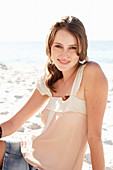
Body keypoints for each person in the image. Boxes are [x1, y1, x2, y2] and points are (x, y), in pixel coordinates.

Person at [0, 16, 108, 170]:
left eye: (72, 47)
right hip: (25, 154)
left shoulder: (91, 73)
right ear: (49, 47)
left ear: (81, 49)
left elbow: (95, 137)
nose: (65, 54)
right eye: (58, 46)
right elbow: (14, 123)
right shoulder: (48, 81)